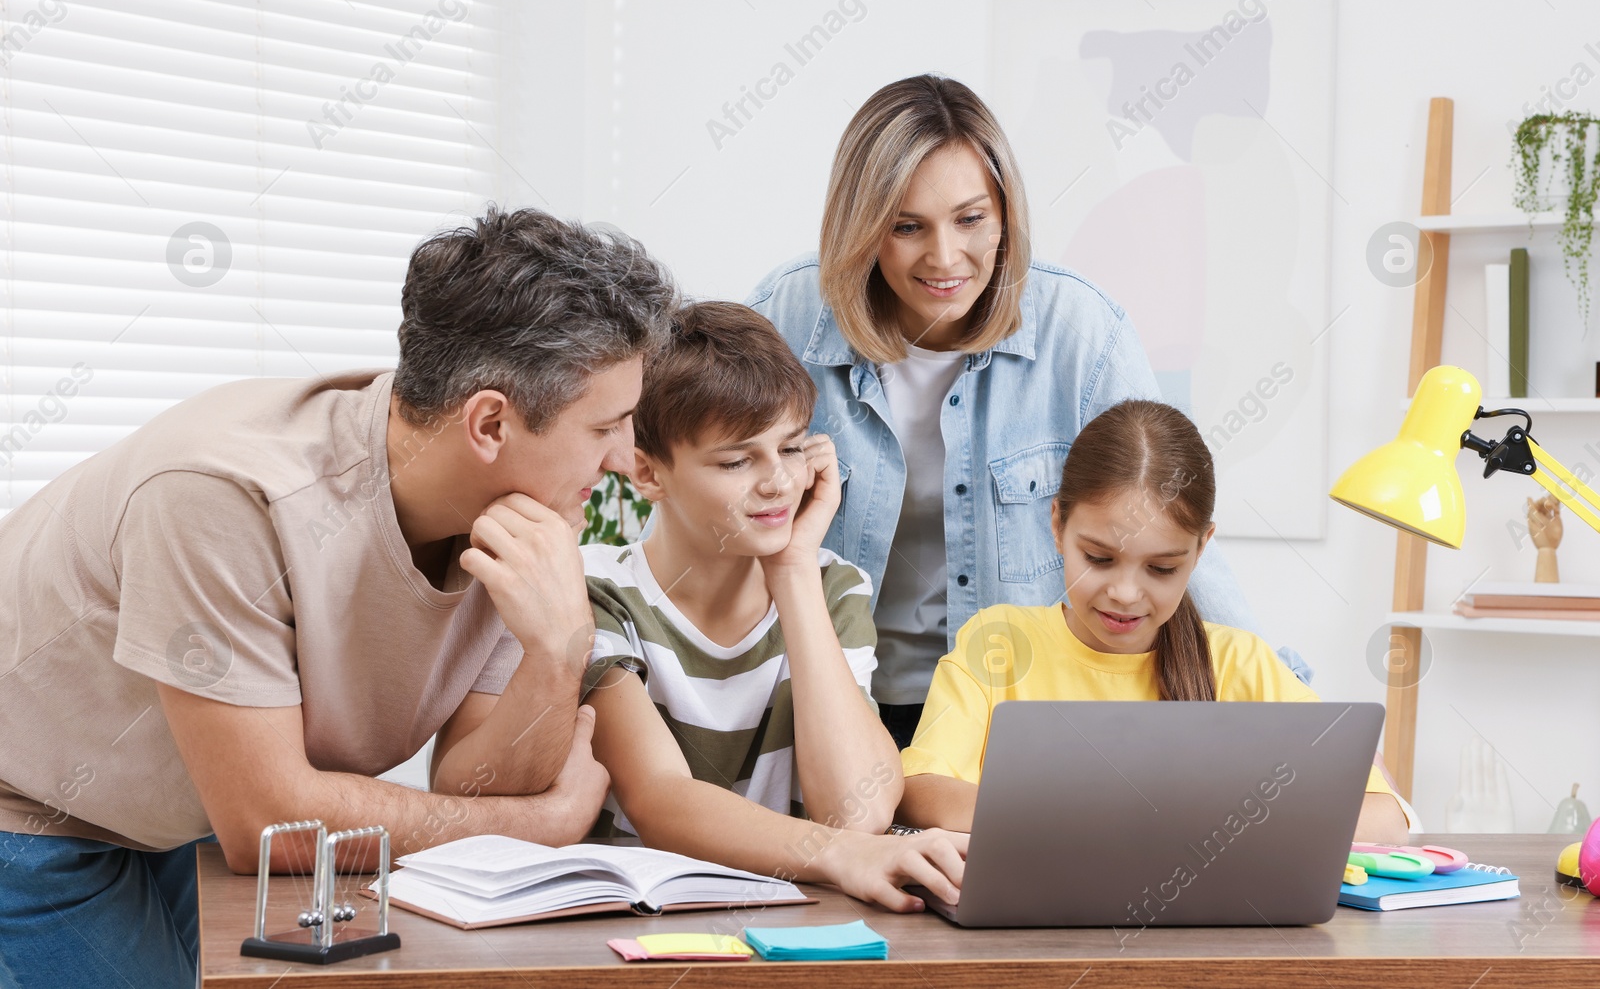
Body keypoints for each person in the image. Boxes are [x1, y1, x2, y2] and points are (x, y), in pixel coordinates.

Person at [0, 207, 675, 988]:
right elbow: (268, 821)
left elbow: (470, 784)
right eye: (608, 427)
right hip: (28, 813)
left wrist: (559, 653)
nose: (625, 459)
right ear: (489, 422)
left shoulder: (511, 514)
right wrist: (542, 824)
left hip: (168, 820)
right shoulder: (225, 499)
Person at [749, 74, 1310, 749]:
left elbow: (1170, 525)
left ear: (1005, 214)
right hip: (831, 707)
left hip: (1007, 721)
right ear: (862, 225)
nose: (945, 257)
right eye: (906, 226)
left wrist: (1288, 720)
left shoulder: (1081, 335)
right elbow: (708, 509)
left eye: (970, 219)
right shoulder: (788, 320)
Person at [581, 301, 965, 913]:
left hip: (794, 927)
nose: (779, 483)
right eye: (737, 460)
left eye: (791, 449)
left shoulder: (831, 588)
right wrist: (836, 854)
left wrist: (792, 572)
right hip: (632, 931)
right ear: (646, 473)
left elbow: (856, 810)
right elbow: (658, 797)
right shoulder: (598, 592)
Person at [895, 399, 1412, 843]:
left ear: (1201, 548)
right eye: (1098, 558)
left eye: (1162, 569)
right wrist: (1099, 820)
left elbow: (1386, 818)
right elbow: (920, 792)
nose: (1124, 594)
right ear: (1057, 524)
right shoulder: (999, 642)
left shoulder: (1238, 662)